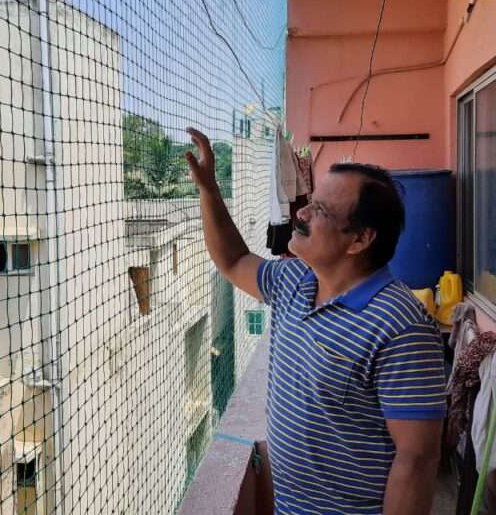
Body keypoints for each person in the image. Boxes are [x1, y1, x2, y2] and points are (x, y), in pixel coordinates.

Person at [185, 128, 446, 515]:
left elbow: (417, 460)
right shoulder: (294, 280)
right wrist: (209, 190)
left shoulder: (401, 325)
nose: (301, 213)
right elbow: (234, 260)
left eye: (320, 210)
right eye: (311, 202)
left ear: (359, 239)